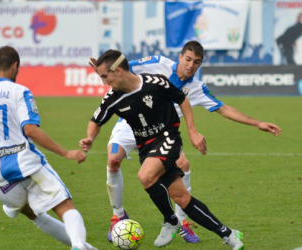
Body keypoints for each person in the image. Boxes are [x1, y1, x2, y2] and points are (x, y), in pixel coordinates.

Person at [91, 41, 282, 246]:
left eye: (197, 62)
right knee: (113, 160)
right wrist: (103, 71)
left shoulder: (197, 89)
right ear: (180, 57)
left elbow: (223, 108)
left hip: (163, 136)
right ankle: (118, 216)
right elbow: (123, 67)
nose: (191, 65)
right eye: (188, 59)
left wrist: (257, 123)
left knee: (181, 166)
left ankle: (180, 221)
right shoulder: (157, 63)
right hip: (130, 127)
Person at [0, 46, 97, 250]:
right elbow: (30, 129)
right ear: (15, 66)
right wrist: (66, 152)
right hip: (27, 164)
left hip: (0, 179)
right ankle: (77, 245)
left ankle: (83, 247)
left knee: (34, 215)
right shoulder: (19, 91)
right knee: (66, 207)